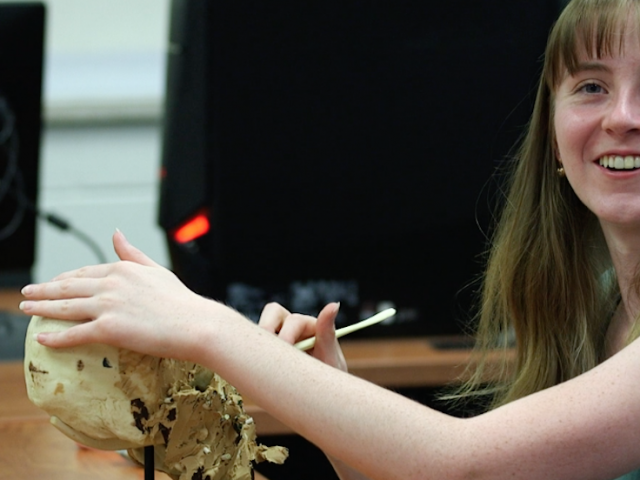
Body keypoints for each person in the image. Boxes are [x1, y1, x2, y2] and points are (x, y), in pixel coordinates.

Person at [18, 0, 640, 478]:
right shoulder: (599, 303)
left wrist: (205, 328)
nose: (622, 118)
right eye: (591, 86)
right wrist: (321, 394)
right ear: (554, 135)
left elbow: (463, 466)